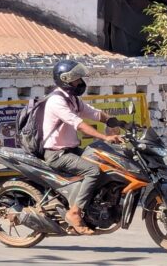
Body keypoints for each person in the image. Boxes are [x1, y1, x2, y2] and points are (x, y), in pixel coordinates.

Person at [43, 59, 124, 235]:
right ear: (65, 80)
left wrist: (115, 121)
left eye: (80, 78)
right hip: (57, 154)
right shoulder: (56, 101)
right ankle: (74, 212)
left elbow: (93, 113)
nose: (80, 82)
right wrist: (105, 137)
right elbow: (78, 123)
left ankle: (94, 204)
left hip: (71, 150)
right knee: (93, 171)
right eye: (76, 79)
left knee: (104, 160)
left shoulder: (72, 99)